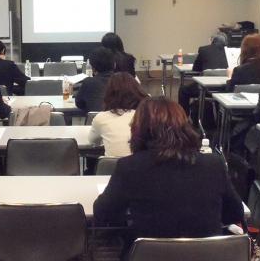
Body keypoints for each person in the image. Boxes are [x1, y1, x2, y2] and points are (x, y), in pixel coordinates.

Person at [94, 97, 243, 244]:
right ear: (185, 127)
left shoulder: (129, 167)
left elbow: (103, 213)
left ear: (138, 129)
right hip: (208, 257)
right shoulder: (213, 164)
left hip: (149, 258)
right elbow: (235, 213)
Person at [88, 72, 148, 157]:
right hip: (140, 163)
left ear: (109, 93)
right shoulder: (146, 115)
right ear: (137, 90)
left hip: (111, 165)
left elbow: (92, 141)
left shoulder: (101, 118)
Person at [178, 33, 228, 116]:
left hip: (206, 89)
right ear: (225, 43)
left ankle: (184, 117)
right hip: (224, 90)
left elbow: (196, 69)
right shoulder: (230, 52)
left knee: (183, 90)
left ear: (212, 41)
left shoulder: (204, 50)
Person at [75, 47, 114, 113]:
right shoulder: (123, 81)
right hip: (119, 119)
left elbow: (79, 103)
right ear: (114, 65)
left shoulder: (88, 82)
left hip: (94, 118)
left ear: (93, 68)